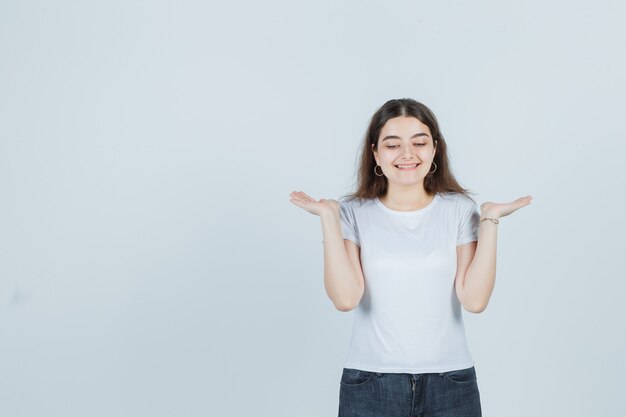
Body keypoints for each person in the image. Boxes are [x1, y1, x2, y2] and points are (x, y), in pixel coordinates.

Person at [289, 98, 532, 417]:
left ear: (435, 149)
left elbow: (474, 301)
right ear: (375, 152)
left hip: (451, 382)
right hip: (369, 383)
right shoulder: (354, 212)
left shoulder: (458, 209)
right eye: (393, 145)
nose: (407, 154)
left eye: (419, 142)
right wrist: (329, 217)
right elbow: (346, 298)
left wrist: (490, 218)